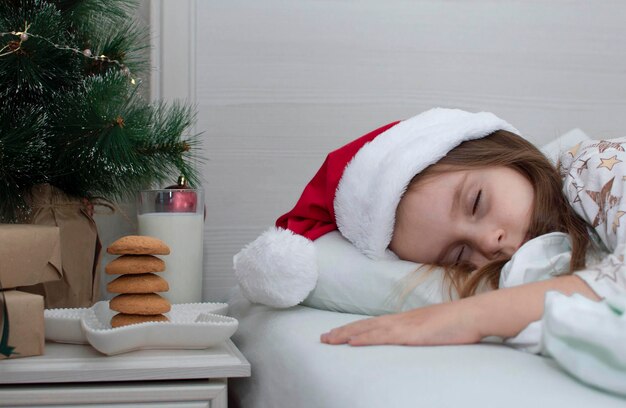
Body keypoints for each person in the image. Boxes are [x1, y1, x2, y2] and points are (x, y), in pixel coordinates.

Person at [233, 108, 623, 346]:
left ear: (506, 155)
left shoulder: (596, 169)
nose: (489, 242)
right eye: (458, 255)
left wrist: (474, 316)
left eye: (476, 202)